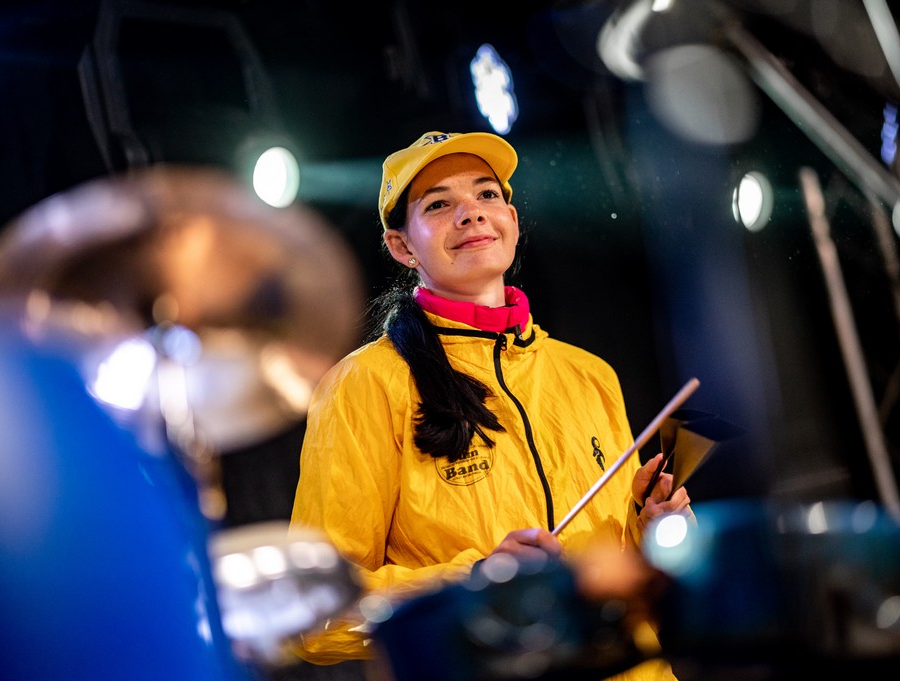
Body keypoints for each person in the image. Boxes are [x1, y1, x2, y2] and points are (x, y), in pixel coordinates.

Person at [288, 131, 691, 680]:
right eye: (438, 205)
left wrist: (653, 533)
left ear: (512, 220)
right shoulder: (362, 385)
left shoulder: (590, 374)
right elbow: (316, 612)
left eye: (487, 195)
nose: (472, 213)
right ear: (402, 247)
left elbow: (621, 580)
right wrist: (475, 582)